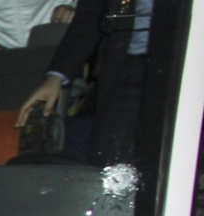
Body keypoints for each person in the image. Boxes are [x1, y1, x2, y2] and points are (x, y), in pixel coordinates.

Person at [15, 0, 153, 165]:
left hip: (185, 66)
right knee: (111, 161)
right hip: (131, 67)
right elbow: (90, 17)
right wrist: (56, 77)